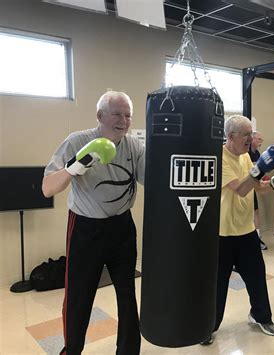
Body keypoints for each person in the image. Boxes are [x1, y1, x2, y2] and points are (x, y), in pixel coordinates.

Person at [42, 91, 144, 355]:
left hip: (122, 228)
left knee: (127, 294)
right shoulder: (78, 141)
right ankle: (72, 351)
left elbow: (152, 181)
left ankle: (129, 352)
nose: (124, 120)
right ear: (100, 116)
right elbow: (47, 188)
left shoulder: (133, 146)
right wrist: (75, 166)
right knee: (79, 297)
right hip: (86, 228)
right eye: (117, 114)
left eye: (128, 115)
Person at [201, 115, 274, 345]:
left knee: (256, 276)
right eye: (246, 134)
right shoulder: (220, 158)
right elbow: (242, 189)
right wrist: (260, 168)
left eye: (251, 133)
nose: (251, 138)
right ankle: (208, 326)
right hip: (223, 233)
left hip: (245, 231)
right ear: (231, 136)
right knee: (218, 283)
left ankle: (261, 316)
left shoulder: (245, 157)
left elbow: (258, 187)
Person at [248, 131, 268, 250]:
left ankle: (256, 237)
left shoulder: (257, 153)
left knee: (255, 211)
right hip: (244, 185)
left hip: (253, 186)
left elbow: (259, 170)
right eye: (259, 139)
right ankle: (253, 239)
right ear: (253, 139)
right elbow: (252, 169)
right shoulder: (246, 152)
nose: (261, 142)